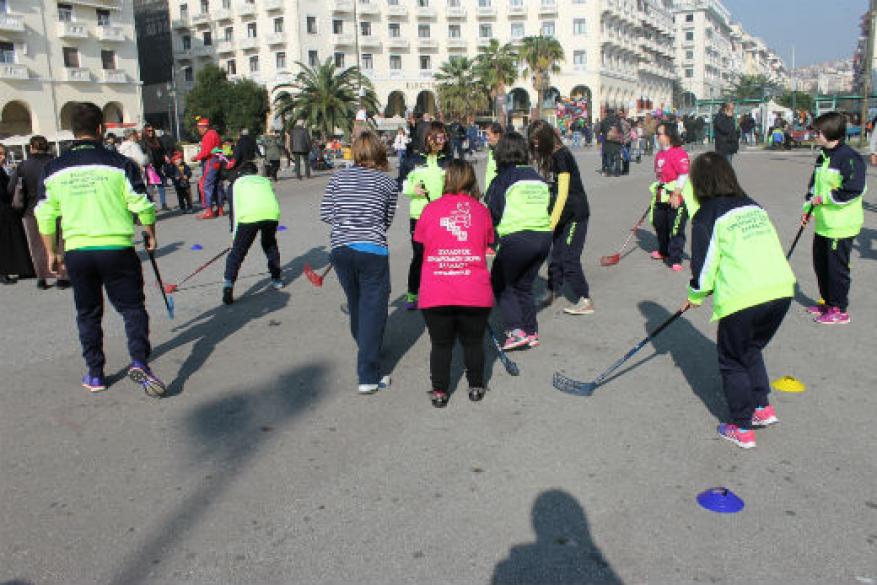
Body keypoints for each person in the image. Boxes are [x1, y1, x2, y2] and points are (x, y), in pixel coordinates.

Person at [34, 102, 165, 396]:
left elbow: (44, 213)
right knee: (131, 307)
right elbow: (142, 204)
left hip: (78, 250)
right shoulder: (120, 164)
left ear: (72, 130)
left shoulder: (53, 168)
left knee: (88, 313)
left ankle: (95, 373)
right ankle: (139, 361)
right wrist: (150, 233)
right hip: (116, 246)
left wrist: (52, 252)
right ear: (100, 129)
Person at [683, 152, 795, 449]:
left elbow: (704, 269)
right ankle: (762, 406)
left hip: (744, 296)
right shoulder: (752, 206)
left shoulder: (706, 215)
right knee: (751, 347)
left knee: (732, 360)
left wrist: (695, 295)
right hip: (781, 289)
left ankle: (741, 425)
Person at [320, 131, 398, 394]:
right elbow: (387, 220)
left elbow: (327, 214)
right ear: (379, 153)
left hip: (341, 249)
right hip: (372, 249)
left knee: (356, 303)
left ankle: (367, 345)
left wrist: (348, 224)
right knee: (373, 308)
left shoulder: (338, 177)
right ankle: (368, 375)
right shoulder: (387, 183)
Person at [414, 160, 494, 407]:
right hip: (474, 290)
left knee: (440, 343)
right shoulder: (481, 211)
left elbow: (420, 242)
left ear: (447, 179)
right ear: (471, 180)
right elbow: (487, 244)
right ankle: (476, 385)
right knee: (473, 342)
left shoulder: (430, 210)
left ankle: (439, 391)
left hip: (436, 289)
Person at [485, 132, 552, 350]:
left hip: (517, 237)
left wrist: (489, 242)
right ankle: (531, 331)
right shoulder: (538, 177)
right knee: (524, 286)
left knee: (501, 282)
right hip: (543, 237)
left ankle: (515, 330)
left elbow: (493, 212)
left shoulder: (504, 178)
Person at [802, 112, 866, 325]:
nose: (815, 135)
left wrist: (825, 199)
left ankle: (840, 309)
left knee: (836, 269)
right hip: (824, 223)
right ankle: (827, 302)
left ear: (830, 133)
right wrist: (807, 208)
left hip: (841, 225)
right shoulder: (823, 155)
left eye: (818, 132)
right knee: (821, 265)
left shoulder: (849, 157)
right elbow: (813, 186)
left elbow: (854, 189)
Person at [529, 121, 594, 316]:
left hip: (575, 214)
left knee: (569, 258)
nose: (536, 146)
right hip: (561, 215)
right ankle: (552, 290)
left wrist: (551, 223)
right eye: (533, 142)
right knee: (554, 256)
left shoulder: (562, 156)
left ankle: (585, 299)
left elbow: (563, 192)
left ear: (548, 138)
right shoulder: (551, 156)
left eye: (538, 141)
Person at [7, 135, 67, 289]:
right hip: (56, 207)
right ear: (47, 147)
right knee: (59, 243)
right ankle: (60, 277)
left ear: (31, 148)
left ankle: (42, 278)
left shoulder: (24, 166)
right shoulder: (56, 163)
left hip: (31, 210)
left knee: (37, 246)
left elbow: (12, 187)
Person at [401, 121, 450, 310]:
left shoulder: (447, 161)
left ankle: (439, 293)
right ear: (427, 138)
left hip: (443, 217)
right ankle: (412, 294)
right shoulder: (412, 160)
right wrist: (412, 189)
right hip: (419, 216)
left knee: (440, 257)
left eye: (444, 137)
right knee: (419, 256)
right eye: (438, 137)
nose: (441, 141)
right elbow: (401, 184)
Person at [221, 162, 283, 304]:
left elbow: (234, 212)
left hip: (248, 217)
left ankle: (228, 284)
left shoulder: (236, 184)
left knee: (237, 252)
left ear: (240, 173)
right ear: (255, 172)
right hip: (271, 215)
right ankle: (277, 279)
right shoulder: (264, 180)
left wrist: (233, 236)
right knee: (269, 245)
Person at [650, 121, 691, 272]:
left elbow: (683, 174)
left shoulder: (678, 152)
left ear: (669, 136)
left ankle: (675, 258)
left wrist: (676, 193)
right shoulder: (660, 154)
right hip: (662, 194)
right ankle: (663, 250)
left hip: (676, 195)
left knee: (675, 227)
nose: (657, 137)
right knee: (659, 223)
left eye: (659, 134)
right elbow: (660, 176)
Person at [0, 143, 36, 285]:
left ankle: (22, 268)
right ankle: (3, 271)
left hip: (8, 210)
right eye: (0, 154)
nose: (3, 158)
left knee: (15, 241)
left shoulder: (2, 170)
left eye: (4, 154)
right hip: (3, 210)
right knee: (5, 244)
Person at [190, 117, 222, 218]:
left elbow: (206, 152)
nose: (199, 130)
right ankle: (220, 208)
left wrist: (196, 157)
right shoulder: (215, 134)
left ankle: (209, 210)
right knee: (216, 184)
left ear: (204, 127)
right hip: (217, 161)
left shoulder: (208, 136)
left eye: (199, 128)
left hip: (210, 161)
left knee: (205, 184)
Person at [140, 124, 170, 211]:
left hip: (158, 165)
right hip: (149, 167)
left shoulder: (157, 140)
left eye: (152, 130)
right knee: (150, 187)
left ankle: (164, 204)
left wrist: (165, 156)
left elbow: (162, 151)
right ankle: (151, 206)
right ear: (145, 132)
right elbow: (142, 155)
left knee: (161, 185)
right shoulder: (143, 142)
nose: (151, 132)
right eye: (148, 131)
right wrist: (147, 164)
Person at [483, 122, 504, 194]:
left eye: (488, 135)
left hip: (496, 193)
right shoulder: (492, 150)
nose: (486, 137)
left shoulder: (503, 152)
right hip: (490, 192)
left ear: (497, 135)